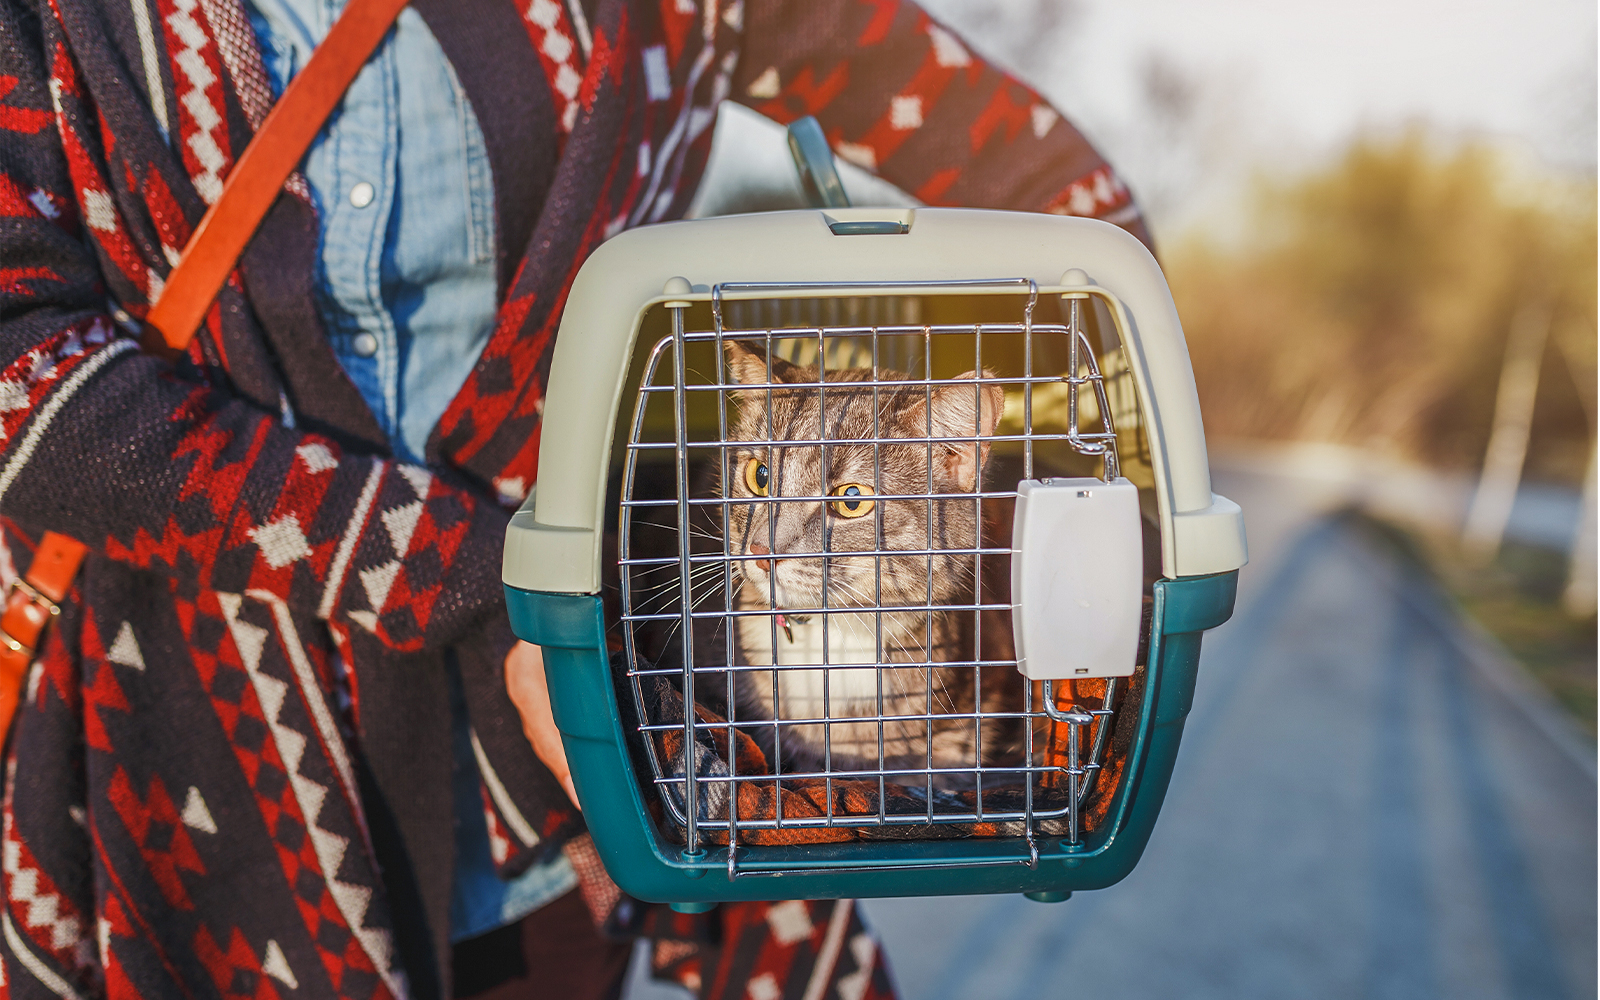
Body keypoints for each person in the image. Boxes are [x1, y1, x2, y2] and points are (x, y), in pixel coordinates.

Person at [0, 0, 1151, 996]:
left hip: (558, 796)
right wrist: (489, 585)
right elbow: (17, 361)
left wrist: (1087, 517)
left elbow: (1062, 193)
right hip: (171, 778)